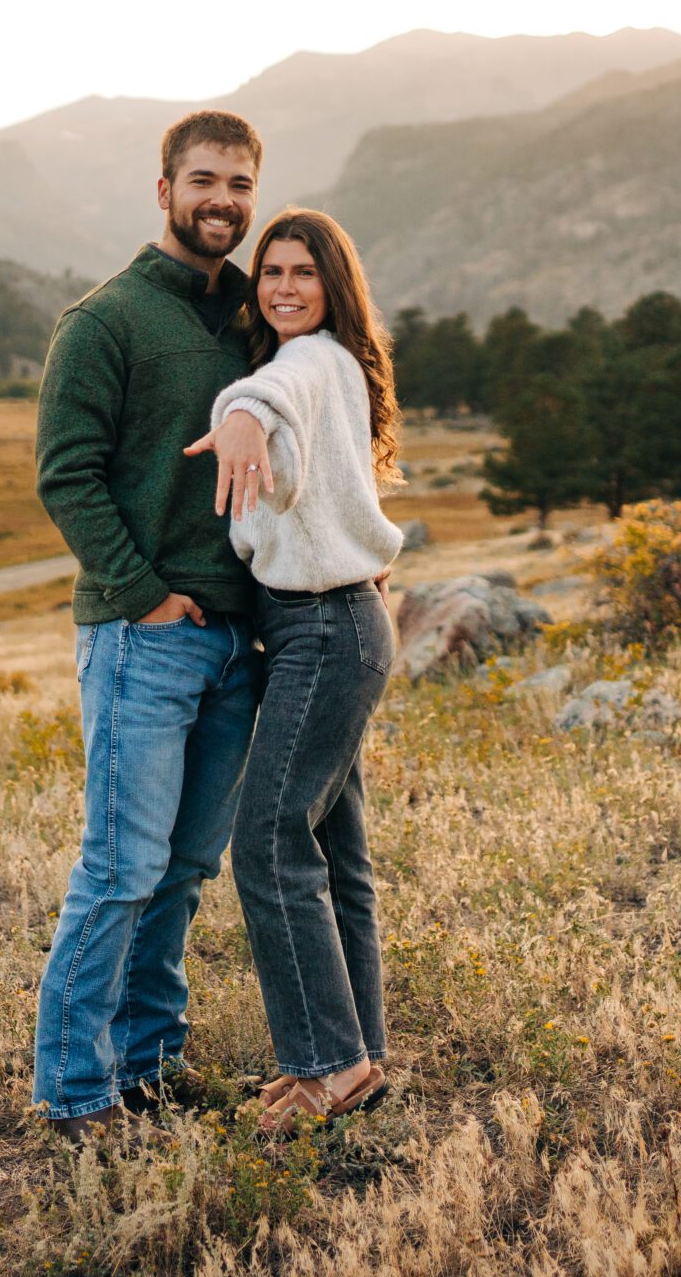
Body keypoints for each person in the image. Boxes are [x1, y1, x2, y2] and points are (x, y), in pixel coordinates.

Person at [29, 109, 266, 1139]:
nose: (223, 200)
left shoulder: (262, 316)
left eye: (240, 185)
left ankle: (148, 1064)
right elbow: (65, 476)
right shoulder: (106, 320)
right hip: (145, 635)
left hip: (237, 642)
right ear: (163, 189)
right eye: (204, 179)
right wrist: (146, 598)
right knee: (120, 867)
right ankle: (75, 1092)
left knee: (180, 872)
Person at [187, 207, 405, 1134]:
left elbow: (268, 399)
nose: (281, 286)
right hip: (341, 623)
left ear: (333, 285)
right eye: (270, 271)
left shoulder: (305, 362)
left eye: (302, 273)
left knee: (271, 842)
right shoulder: (336, 364)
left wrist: (237, 419)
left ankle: (327, 1062)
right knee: (334, 851)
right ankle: (356, 1052)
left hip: (323, 631)